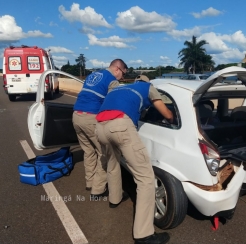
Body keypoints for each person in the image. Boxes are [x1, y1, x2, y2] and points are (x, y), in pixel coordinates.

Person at [95, 75, 173, 244]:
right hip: (120, 126)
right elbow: (165, 112)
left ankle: (114, 199)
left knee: (112, 163)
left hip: (99, 127)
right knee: (145, 178)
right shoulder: (148, 88)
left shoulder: (119, 88)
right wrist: (171, 119)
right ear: (147, 83)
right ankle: (143, 235)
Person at [72, 59, 127, 197]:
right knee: (104, 153)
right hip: (91, 118)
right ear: (117, 69)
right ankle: (98, 190)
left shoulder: (93, 75)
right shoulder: (112, 81)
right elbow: (114, 102)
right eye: (123, 74)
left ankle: (89, 182)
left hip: (76, 115)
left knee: (88, 151)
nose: (123, 78)